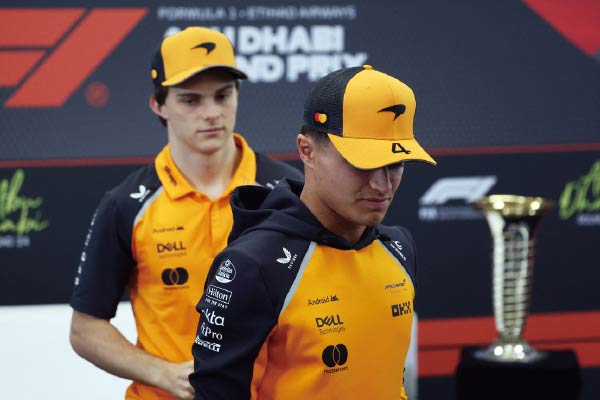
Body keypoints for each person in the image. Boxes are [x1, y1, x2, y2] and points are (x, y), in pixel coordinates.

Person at [69, 27, 303, 400]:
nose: (211, 113)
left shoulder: (289, 192)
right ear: (158, 105)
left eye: (222, 96)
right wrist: (163, 374)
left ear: (238, 94)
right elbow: (85, 328)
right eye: (190, 100)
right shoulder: (127, 204)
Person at [189, 65, 436, 399]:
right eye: (362, 164)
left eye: (395, 164)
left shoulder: (398, 247)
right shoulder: (253, 265)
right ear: (307, 150)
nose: (382, 185)